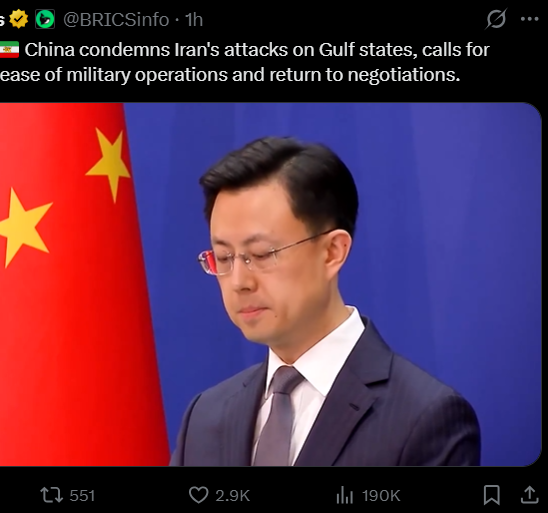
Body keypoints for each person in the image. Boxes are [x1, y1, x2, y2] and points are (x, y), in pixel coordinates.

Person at [169, 136, 481, 466]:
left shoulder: (425, 418)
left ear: (332, 252)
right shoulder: (205, 416)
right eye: (223, 257)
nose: (239, 282)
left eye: (261, 255)